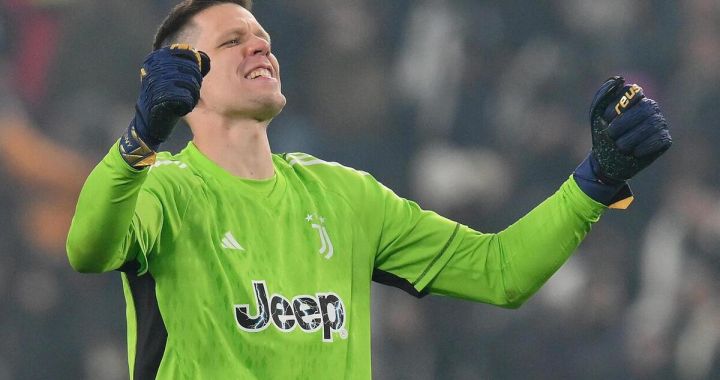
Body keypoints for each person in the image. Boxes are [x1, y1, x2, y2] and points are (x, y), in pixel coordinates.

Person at [66, 0, 672, 378]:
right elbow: (87, 248)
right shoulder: (163, 190)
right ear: (180, 73)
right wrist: (140, 138)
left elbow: (500, 271)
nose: (262, 45)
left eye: (263, 37)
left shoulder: (345, 197)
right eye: (232, 40)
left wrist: (595, 182)